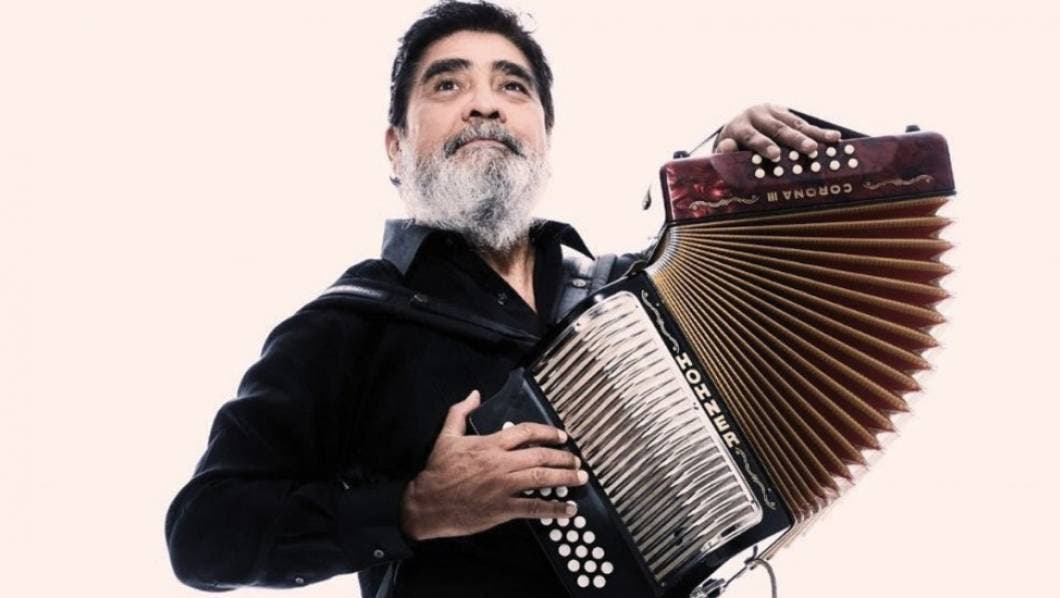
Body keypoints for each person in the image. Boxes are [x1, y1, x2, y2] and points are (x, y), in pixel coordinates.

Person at [163, 2, 844, 597]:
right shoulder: (347, 325)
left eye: (512, 85)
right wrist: (416, 507)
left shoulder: (640, 293)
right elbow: (204, 534)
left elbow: (813, 326)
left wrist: (744, 189)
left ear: (544, 138)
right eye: (448, 83)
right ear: (396, 148)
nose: (484, 104)